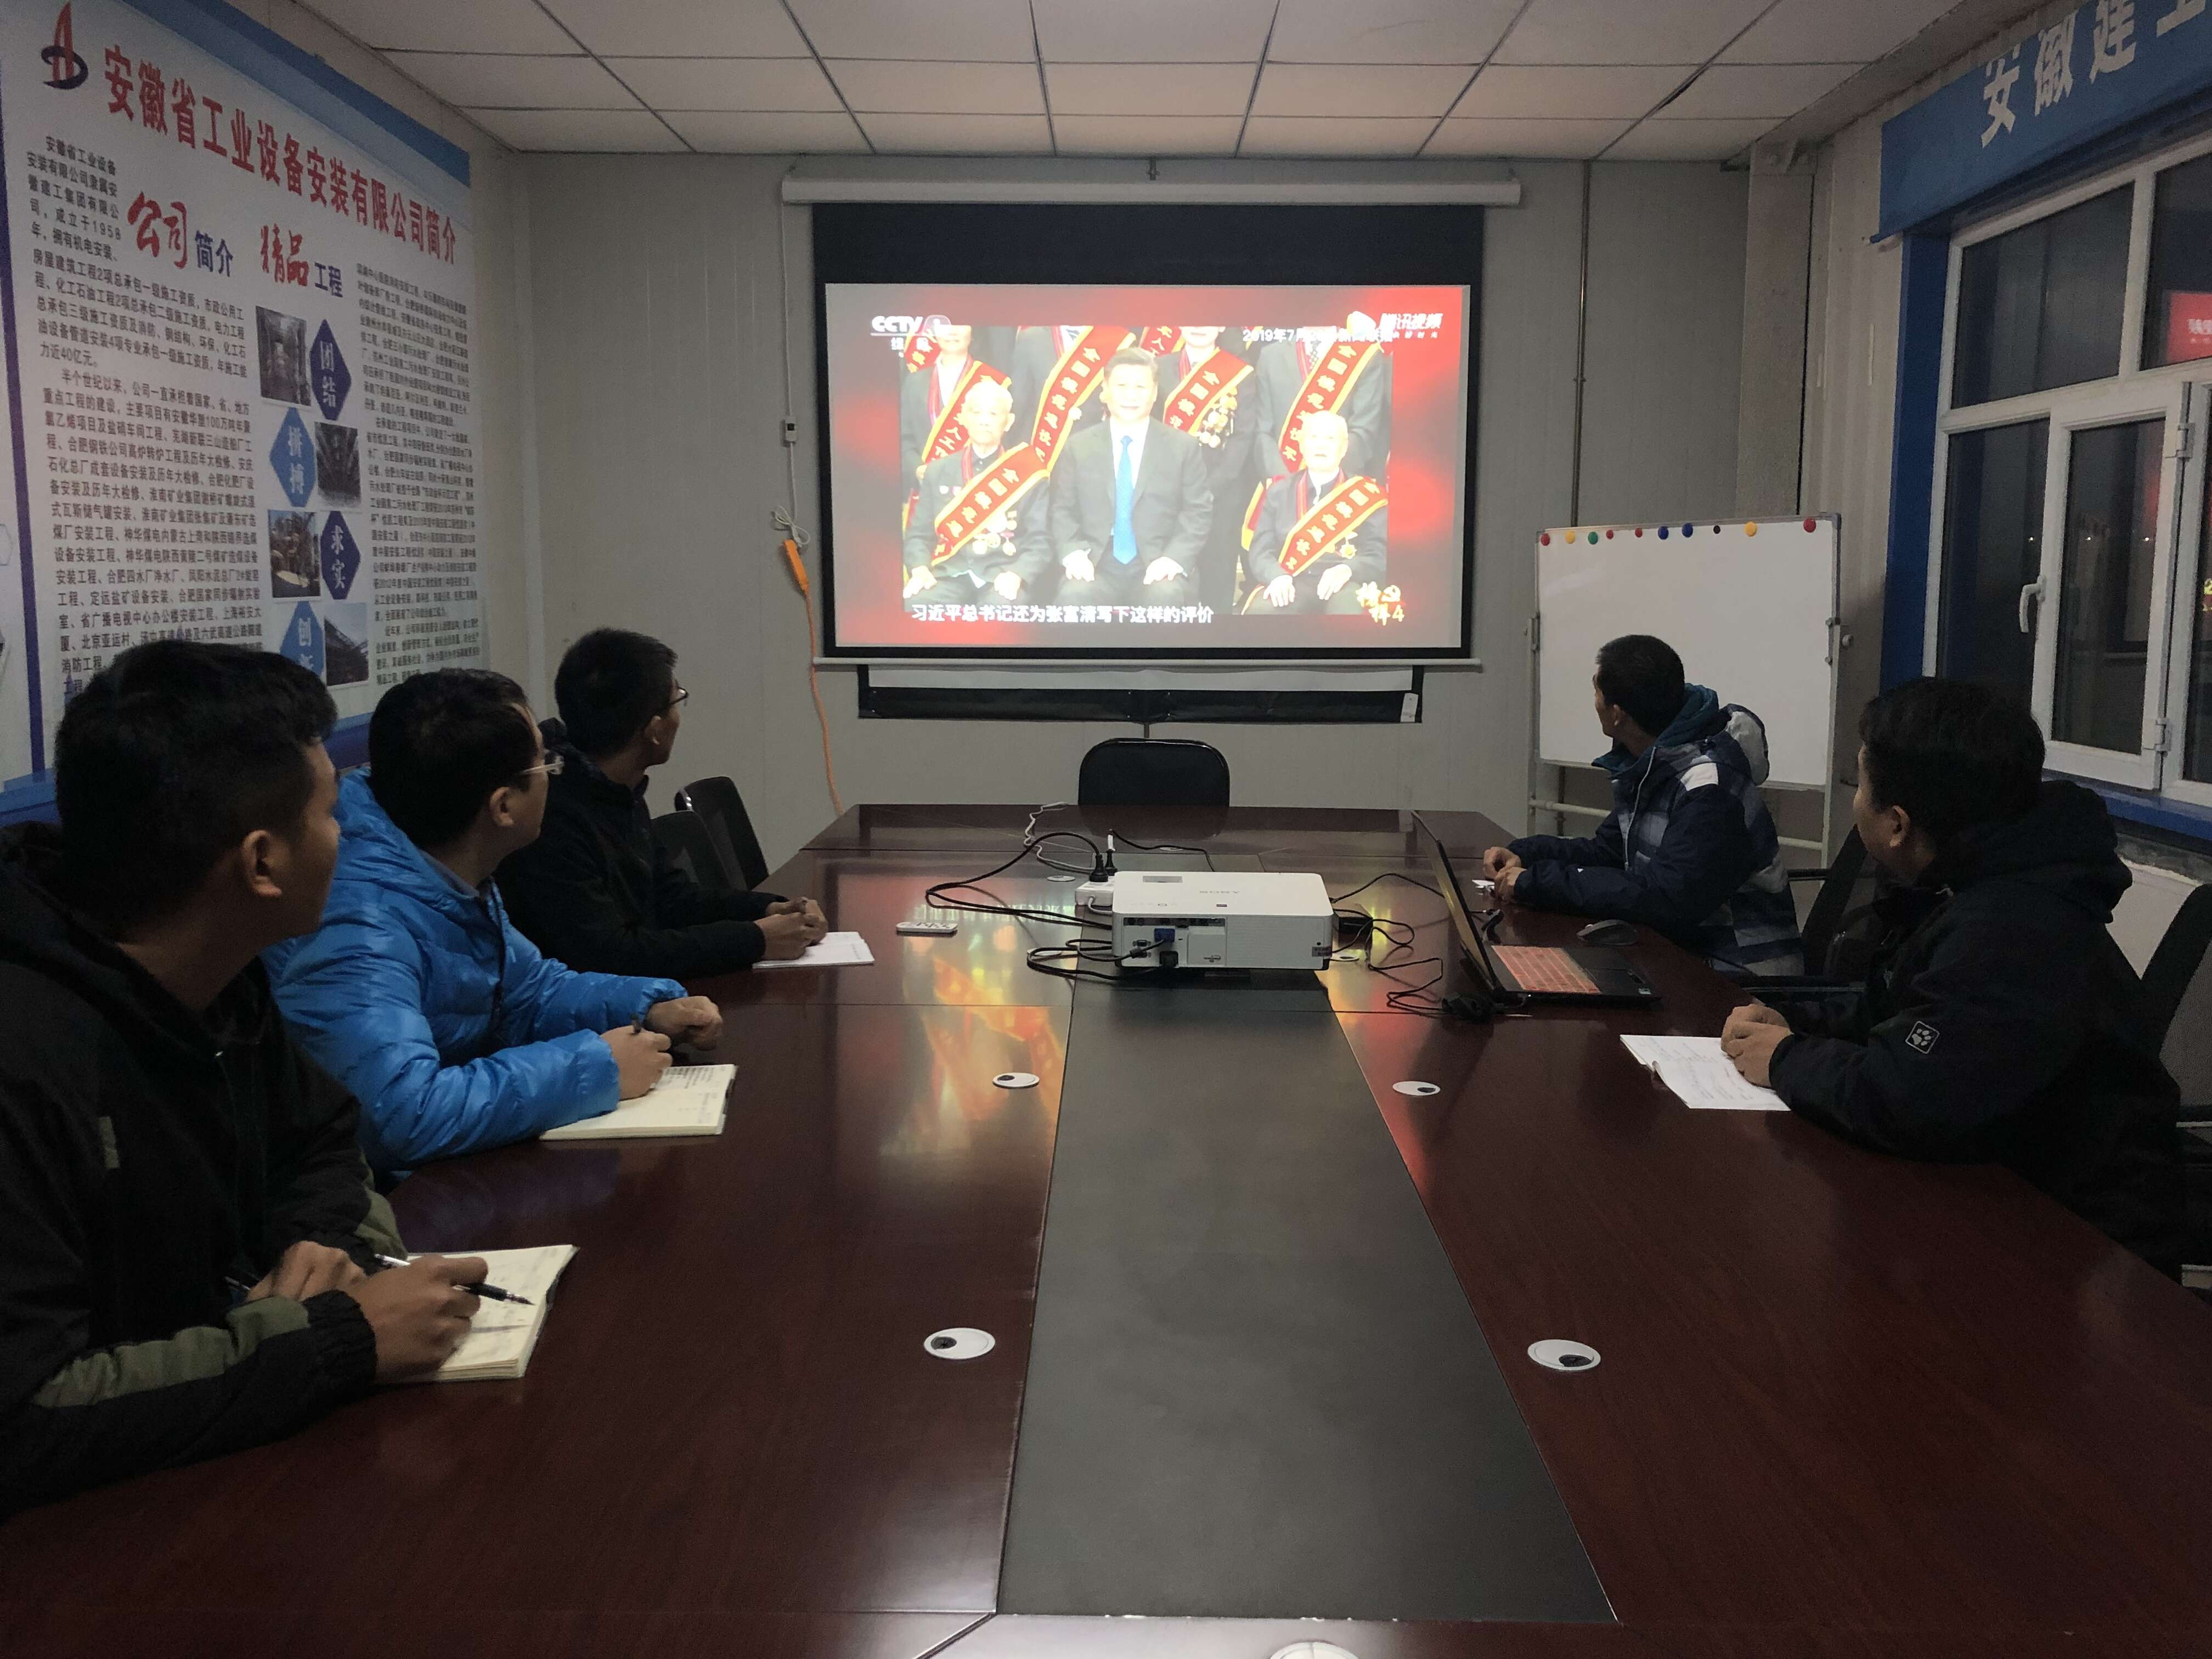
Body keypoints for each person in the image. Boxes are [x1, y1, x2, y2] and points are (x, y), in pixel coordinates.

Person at [0, 641, 488, 1511]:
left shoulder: (221, 973)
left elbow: (323, 1143)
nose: (349, 837)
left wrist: (323, 1244)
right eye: (333, 813)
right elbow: (26, 1416)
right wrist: (337, 1340)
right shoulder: (27, 1049)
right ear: (262, 864)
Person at [1720, 678, 2183, 1274]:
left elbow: (1909, 1097)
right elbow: (1904, 1013)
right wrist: (1794, 1024)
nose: (1856, 803)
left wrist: (1786, 1058)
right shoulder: (1978, 879)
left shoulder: (2012, 926)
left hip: (2083, 1250)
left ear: (1898, 825)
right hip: (2003, 1183)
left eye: (1861, 786)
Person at [267, 669, 723, 1175]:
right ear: (503, 806)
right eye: (546, 764)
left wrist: (647, 1007)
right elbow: (401, 1116)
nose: (555, 775)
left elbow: (529, 992)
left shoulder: (443, 865)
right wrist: (596, 1067)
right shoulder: (361, 927)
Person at [499, 629, 826, 976]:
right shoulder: (551, 816)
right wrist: (754, 939)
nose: (679, 717)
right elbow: (611, 955)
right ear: (654, 729)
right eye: (677, 700)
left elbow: (671, 898)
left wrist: (769, 909)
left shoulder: (614, 788)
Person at [1483, 635, 1803, 974]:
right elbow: (1609, 851)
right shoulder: (1655, 763)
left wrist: (1538, 883)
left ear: (1617, 714)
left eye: (1597, 693)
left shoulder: (1709, 788)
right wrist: (1526, 855)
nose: (1594, 703)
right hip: (1676, 949)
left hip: (1735, 972)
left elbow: (1666, 900)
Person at [1048, 348, 1212, 613]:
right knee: (1075, 596)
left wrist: (1172, 559)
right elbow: (1062, 510)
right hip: (1096, 562)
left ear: (1155, 392)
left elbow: (1198, 511)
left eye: (1140, 387)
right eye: (1122, 386)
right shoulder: (1079, 446)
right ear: (1105, 389)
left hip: (1156, 561)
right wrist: (1075, 555)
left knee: (1165, 596)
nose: (1131, 396)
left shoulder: (1182, 447)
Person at [901, 379, 1052, 607]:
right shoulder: (938, 471)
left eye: (993, 414)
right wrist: (920, 569)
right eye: (976, 412)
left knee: (1004, 610)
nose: (984, 420)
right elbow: (919, 536)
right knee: (916, 604)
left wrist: (1017, 574)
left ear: (1009, 422)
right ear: (963, 418)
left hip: (1002, 574)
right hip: (949, 573)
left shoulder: (1027, 474)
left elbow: (1040, 540)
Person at [1153, 325, 1257, 611]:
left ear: (1222, 326)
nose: (1198, 326)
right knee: (1165, 578)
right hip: (1164, 491)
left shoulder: (1241, 373)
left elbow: (1243, 438)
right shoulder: (1157, 367)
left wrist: (1210, 488)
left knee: (1217, 576)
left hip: (1220, 493)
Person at [1242, 409, 1386, 615]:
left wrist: (1349, 569)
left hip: (1344, 581)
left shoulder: (1365, 494)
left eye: (1330, 439)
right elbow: (1261, 551)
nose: (1321, 445)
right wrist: (1277, 575)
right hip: (1292, 579)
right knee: (1262, 613)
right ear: (1302, 445)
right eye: (1314, 438)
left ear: (1344, 448)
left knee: (1348, 611)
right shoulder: (1279, 492)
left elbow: (1379, 554)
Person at [1250, 323, 1390, 484]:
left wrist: (1327, 480)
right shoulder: (1271, 356)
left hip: (1340, 486)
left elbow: (1363, 431)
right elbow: (1264, 432)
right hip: (1282, 486)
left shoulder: (1364, 356)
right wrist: (1286, 484)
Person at [898, 320, 1011, 500]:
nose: (952, 331)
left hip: (979, 492)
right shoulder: (915, 382)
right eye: (945, 324)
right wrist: (917, 468)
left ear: (972, 332)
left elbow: (1007, 439)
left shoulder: (993, 381)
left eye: (961, 323)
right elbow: (904, 437)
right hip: (926, 491)